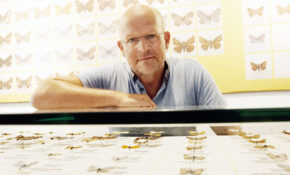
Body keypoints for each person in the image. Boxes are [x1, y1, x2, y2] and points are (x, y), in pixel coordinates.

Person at [31, 4, 226, 109]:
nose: (143, 48)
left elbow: (226, 130)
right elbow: (41, 95)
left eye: (151, 36)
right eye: (132, 40)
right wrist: (119, 98)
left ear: (166, 40)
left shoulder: (193, 72)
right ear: (121, 48)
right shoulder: (109, 76)